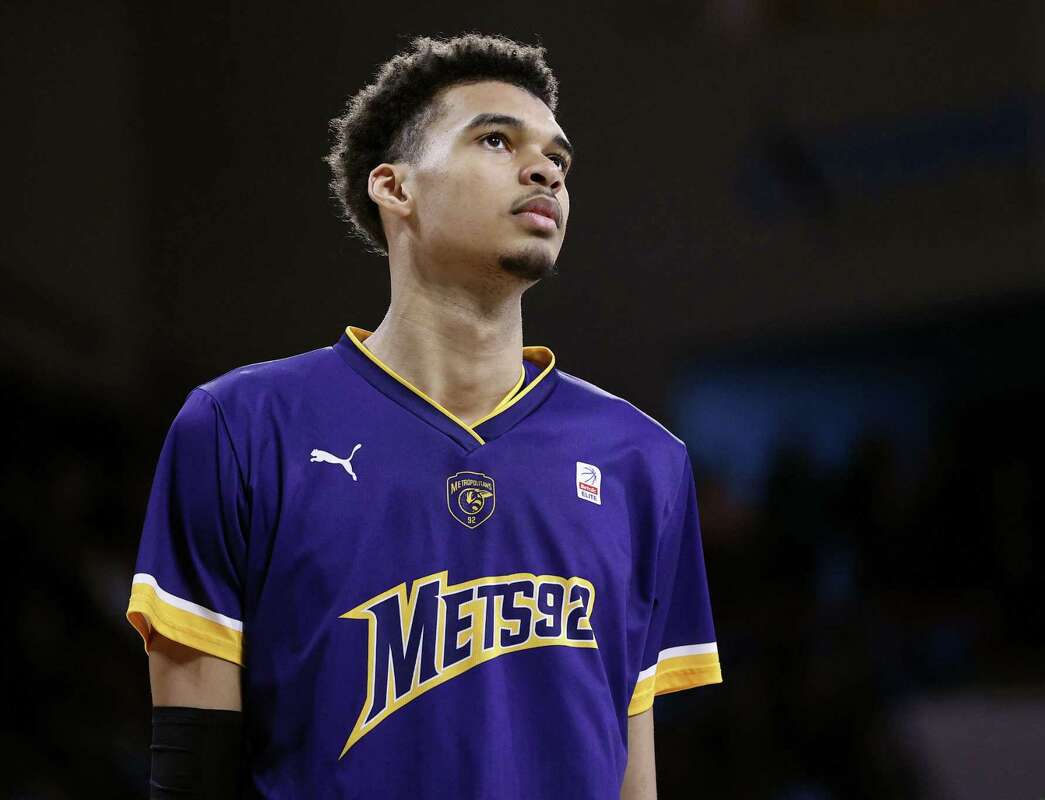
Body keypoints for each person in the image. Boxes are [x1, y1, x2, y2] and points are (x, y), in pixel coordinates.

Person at [126, 32, 722, 799]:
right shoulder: (240, 427)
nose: (543, 169)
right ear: (394, 188)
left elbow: (630, 773)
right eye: (497, 140)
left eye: (558, 159)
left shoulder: (643, 459)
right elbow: (191, 770)